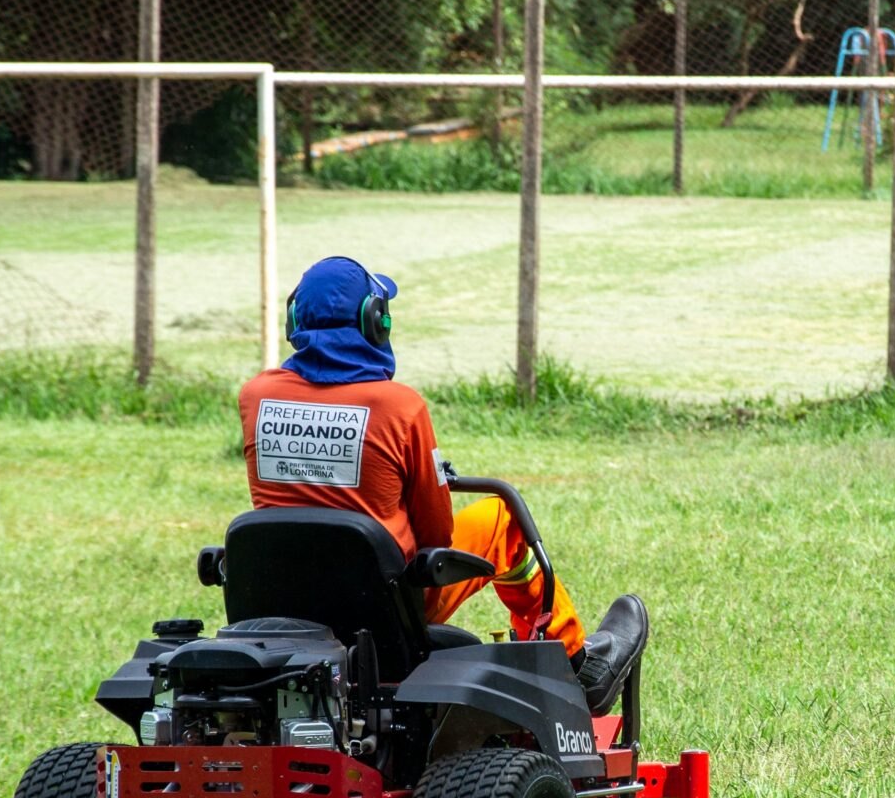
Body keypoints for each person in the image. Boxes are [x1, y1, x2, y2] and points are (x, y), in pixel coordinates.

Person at [239, 255, 647, 715]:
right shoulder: (400, 407)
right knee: (500, 518)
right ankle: (575, 664)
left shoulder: (256, 397)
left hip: (282, 604)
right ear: (376, 323)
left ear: (295, 320)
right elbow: (437, 535)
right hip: (386, 606)